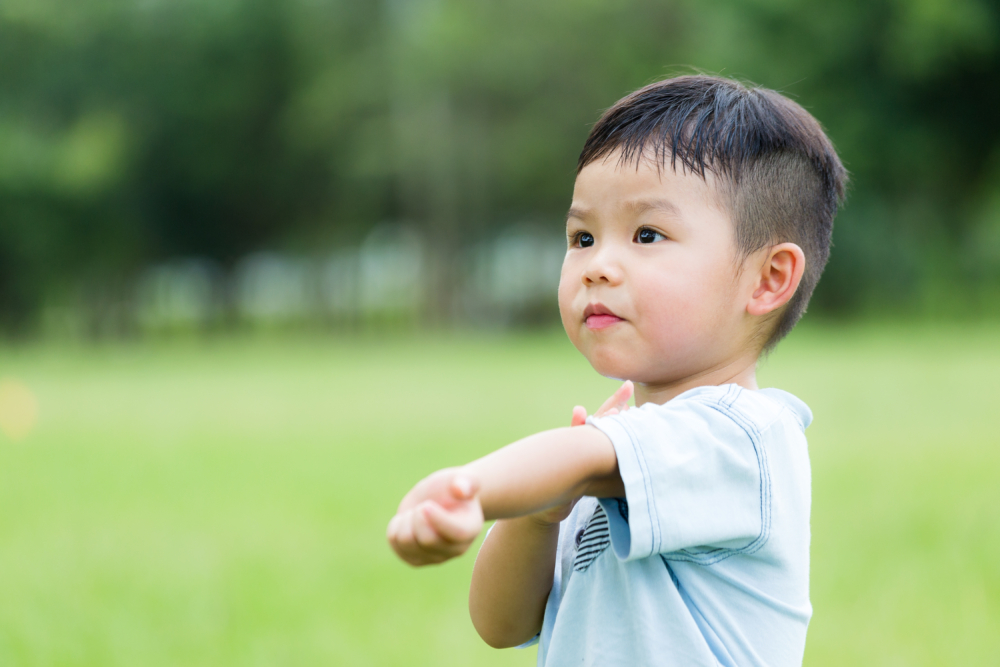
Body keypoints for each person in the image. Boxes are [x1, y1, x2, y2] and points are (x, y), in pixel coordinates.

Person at [385, 75, 847, 666]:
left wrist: (467, 488)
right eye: (581, 237)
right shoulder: (616, 455)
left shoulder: (744, 438)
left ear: (768, 279)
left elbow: (576, 459)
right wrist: (541, 515)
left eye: (646, 234)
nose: (597, 266)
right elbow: (501, 625)